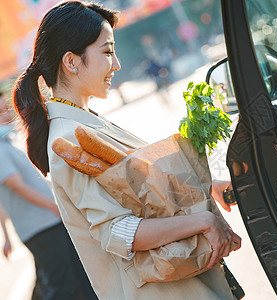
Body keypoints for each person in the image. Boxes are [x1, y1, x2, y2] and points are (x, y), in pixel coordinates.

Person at [12, 1, 241, 299]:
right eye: (107, 52)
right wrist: (203, 220)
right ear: (71, 61)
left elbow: (139, 192)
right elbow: (120, 232)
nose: (117, 64)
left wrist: (206, 187)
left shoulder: (86, 122)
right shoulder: (66, 141)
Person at [0, 91, 96, 299]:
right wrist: (56, 208)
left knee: (82, 276)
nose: (7, 116)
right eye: (0, 113)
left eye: (6, 109)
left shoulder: (9, 142)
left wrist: (6, 236)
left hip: (49, 222)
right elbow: (18, 187)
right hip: (41, 227)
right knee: (63, 286)